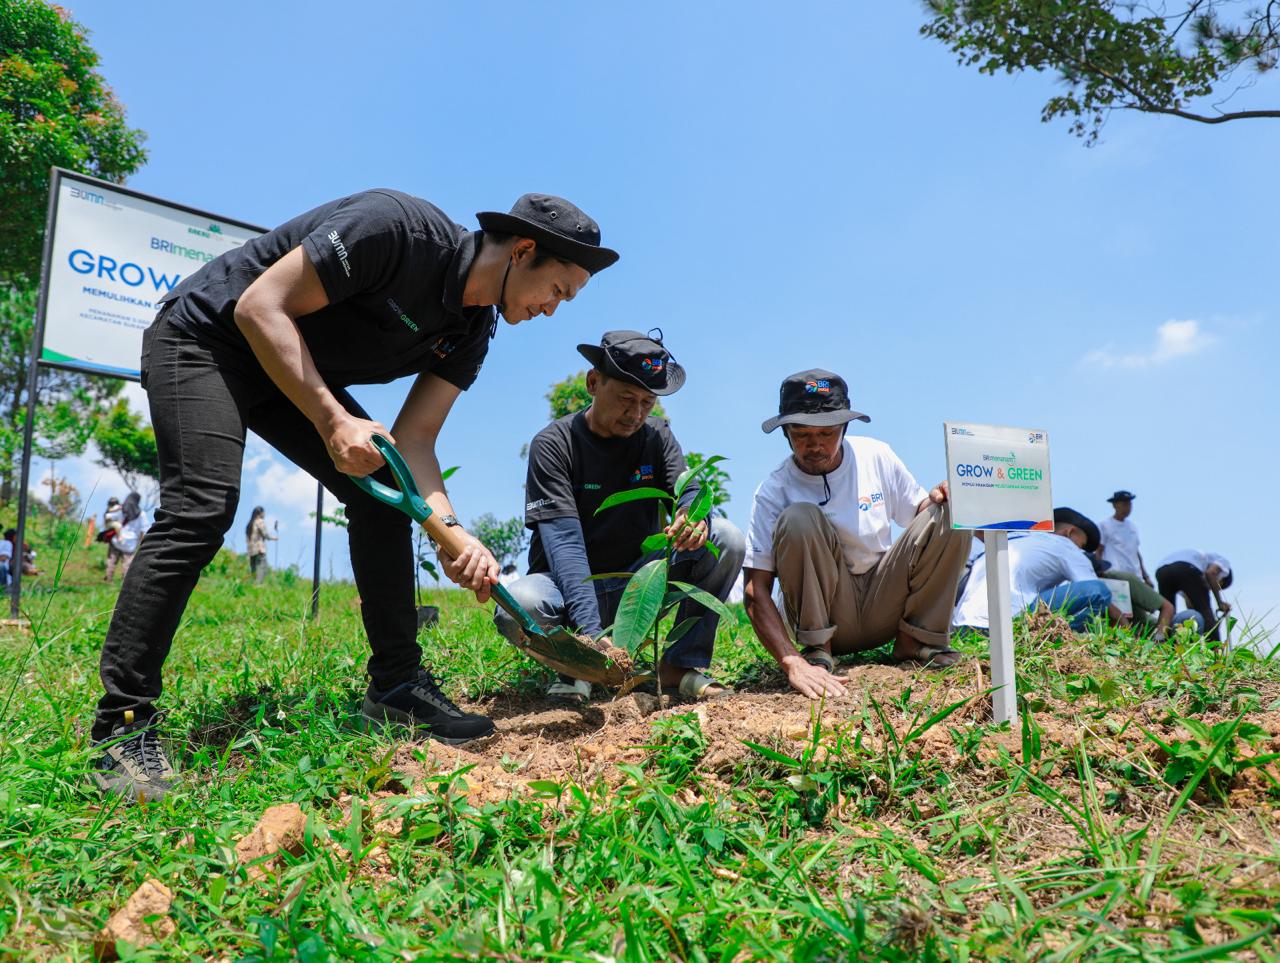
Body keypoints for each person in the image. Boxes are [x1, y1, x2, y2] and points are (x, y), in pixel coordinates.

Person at [90, 189, 618, 802]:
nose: (554, 310)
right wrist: (331, 419)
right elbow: (260, 307)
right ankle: (121, 726)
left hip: (287, 370)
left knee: (381, 492)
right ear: (524, 250)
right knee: (202, 508)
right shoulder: (395, 230)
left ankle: (397, 691)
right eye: (558, 290)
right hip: (207, 337)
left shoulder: (470, 332)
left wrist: (453, 534)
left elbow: (415, 442)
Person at [496, 330, 745, 703]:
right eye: (626, 399)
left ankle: (680, 667)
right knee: (521, 604)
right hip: (566, 589)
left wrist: (693, 516)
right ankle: (576, 666)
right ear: (593, 383)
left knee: (725, 538)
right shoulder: (553, 445)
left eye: (648, 402)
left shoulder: (657, 436)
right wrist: (591, 635)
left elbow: (689, 487)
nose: (636, 414)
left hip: (638, 584)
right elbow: (564, 544)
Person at [742, 370, 971, 701]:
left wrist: (945, 497)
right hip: (826, 613)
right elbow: (755, 590)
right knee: (799, 518)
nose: (815, 445)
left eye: (827, 433)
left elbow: (924, 516)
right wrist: (792, 663)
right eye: (801, 434)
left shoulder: (876, 456)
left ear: (845, 428)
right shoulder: (774, 491)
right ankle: (818, 650)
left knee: (951, 510)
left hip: (884, 601)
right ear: (786, 433)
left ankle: (918, 641)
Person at [955, 508, 1121, 632]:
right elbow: (1093, 589)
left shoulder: (1016, 539)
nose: (1081, 550)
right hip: (1005, 624)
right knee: (1100, 591)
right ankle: (1063, 638)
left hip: (963, 626)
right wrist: (1125, 626)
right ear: (1069, 532)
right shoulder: (1065, 545)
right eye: (1082, 545)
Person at [1155, 549, 1233, 643]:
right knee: (1206, 612)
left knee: (1168, 611)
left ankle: (1160, 642)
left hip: (1162, 571)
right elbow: (1210, 573)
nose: (1211, 587)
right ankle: (1215, 651)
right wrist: (1219, 603)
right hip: (1187, 568)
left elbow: (1192, 607)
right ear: (1222, 578)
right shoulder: (1223, 562)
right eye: (1218, 585)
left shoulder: (1197, 560)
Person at [1098, 490, 1152, 586]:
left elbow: (1136, 552)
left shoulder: (1133, 527)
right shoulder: (1105, 525)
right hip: (1116, 576)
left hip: (1136, 577)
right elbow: (1099, 551)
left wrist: (1145, 576)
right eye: (1124, 504)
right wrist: (1099, 572)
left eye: (1129, 504)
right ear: (1114, 505)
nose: (1127, 508)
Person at [104, 493, 150, 582]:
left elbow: (107, 517)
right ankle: (124, 583)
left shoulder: (121, 510)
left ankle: (108, 580)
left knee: (111, 561)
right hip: (130, 545)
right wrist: (141, 544)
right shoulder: (142, 515)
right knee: (127, 566)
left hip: (117, 541)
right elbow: (143, 531)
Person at [245, 506, 276, 582]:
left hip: (251, 551)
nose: (264, 514)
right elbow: (265, 534)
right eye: (264, 512)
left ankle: (252, 587)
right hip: (259, 549)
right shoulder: (260, 521)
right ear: (260, 513)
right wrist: (274, 538)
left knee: (254, 570)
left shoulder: (250, 525)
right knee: (262, 569)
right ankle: (258, 587)